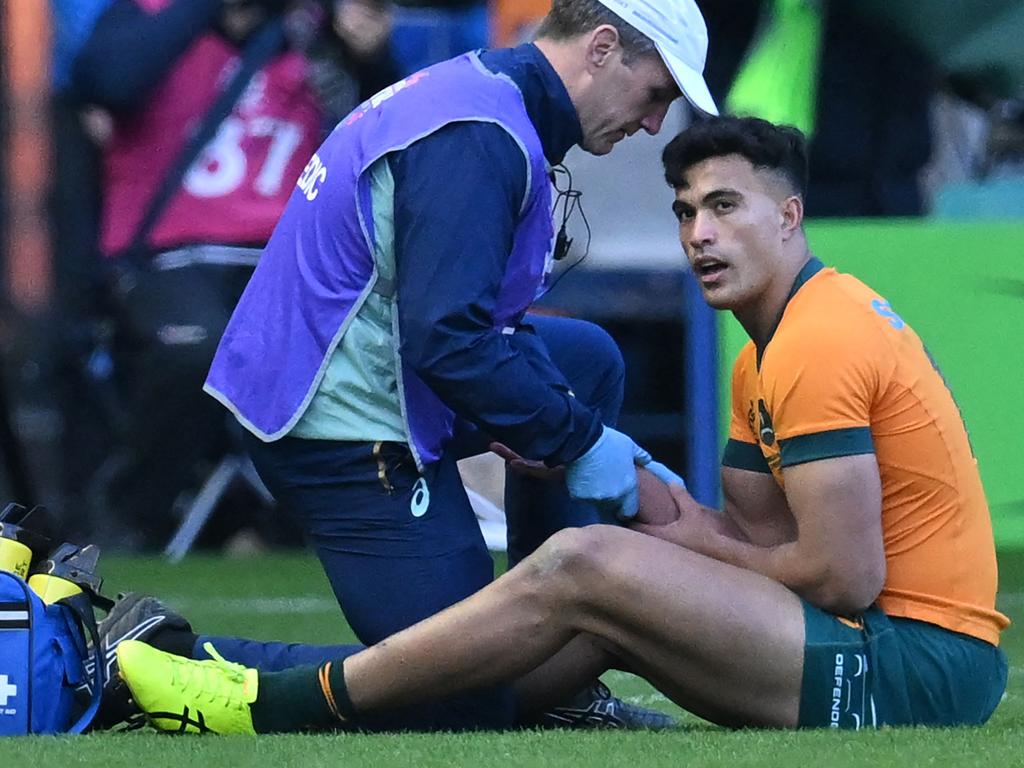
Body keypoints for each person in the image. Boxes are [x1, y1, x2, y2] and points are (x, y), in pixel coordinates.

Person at [118, 116, 1009, 733]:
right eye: (685, 213)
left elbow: (841, 578)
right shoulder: (762, 351)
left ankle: (265, 709)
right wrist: (639, 490)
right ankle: (181, 663)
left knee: (585, 564)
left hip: (914, 671)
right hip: (862, 647)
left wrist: (642, 553)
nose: (698, 233)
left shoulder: (820, 337)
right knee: (469, 696)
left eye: (725, 207)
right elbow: (754, 544)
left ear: (790, 216)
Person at [96, 0, 718, 732]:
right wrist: (580, 442)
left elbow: (459, 329)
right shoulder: (481, 132)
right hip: (336, 423)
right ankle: (156, 657)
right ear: (603, 48)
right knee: (459, 697)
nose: (652, 125)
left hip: (365, 380)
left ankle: (558, 673)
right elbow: (448, 342)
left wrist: (563, 424)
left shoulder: (487, 93)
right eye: (655, 96)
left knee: (583, 361)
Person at [68, 0, 398, 549]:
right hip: (169, 254)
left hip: (287, 254)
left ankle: (295, 524)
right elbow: (106, 82)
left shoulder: (317, 35)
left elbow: (388, 137)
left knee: (364, 348)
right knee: (196, 348)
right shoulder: (145, 16)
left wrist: (373, 57)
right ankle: (128, 519)